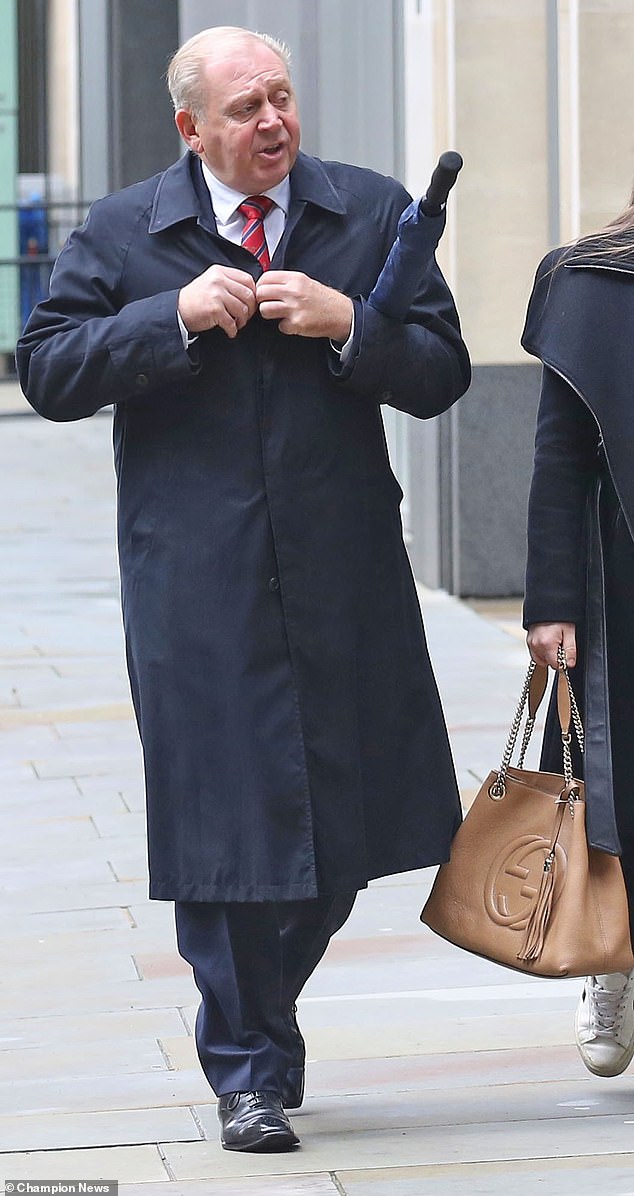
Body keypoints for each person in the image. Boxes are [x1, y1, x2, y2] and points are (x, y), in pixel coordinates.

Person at [16, 26, 470, 1152]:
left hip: (344, 571)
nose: (273, 122)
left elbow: (441, 369)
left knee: (347, 820)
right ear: (191, 130)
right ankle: (248, 1070)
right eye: (245, 108)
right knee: (226, 828)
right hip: (196, 582)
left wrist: (350, 324)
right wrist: (164, 318)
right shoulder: (127, 230)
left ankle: (260, 1018)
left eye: (282, 98)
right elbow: (49, 367)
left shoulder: (363, 211)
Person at [522, 190, 634, 1082]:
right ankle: (614, 961)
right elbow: (560, 456)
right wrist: (551, 600)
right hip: (619, 578)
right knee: (616, 785)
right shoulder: (588, 282)